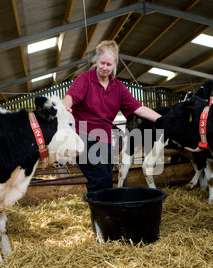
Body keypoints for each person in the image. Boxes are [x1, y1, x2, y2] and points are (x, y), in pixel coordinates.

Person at [62, 40, 161, 192]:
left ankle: (101, 213)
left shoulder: (118, 88)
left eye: (109, 65)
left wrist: (162, 120)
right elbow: (70, 96)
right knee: (101, 180)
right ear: (96, 60)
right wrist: (65, 106)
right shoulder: (85, 79)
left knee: (106, 179)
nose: (104, 68)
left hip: (105, 139)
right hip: (83, 136)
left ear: (114, 65)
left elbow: (139, 108)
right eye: (102, 63)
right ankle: (101, 214)